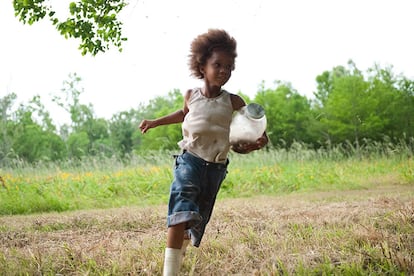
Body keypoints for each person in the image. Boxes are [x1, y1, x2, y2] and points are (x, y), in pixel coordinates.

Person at [139, 29, 268, 276]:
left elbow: (254, 132)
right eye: (217, 64)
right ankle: (170, 271)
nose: (224, 71)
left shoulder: (233, 102)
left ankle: (183, 242)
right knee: (180, 209)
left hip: (216, 168)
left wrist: (255, 143)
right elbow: (184, 114)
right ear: (202, 65)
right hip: (190, 161)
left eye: (229, 67)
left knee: (197, 218)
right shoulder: (191, 95)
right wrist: (155, 122)